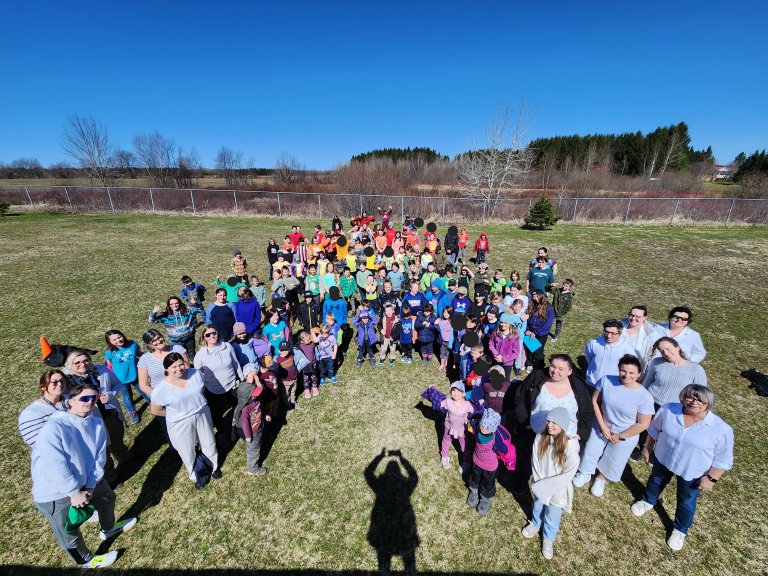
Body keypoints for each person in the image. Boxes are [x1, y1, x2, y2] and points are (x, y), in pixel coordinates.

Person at [31, 380, 137, 569]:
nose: (89, 402)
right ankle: (85, 560)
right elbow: (54, 465)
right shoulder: (54, 428)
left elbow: (99, 456)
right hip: (56, 492)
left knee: (107, 498)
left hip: (88, 482)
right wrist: (74, 492)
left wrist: (91, 484)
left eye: (93, 398)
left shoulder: (96, 423)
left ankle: (108, 528)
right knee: (69, 529)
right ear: (70, 401)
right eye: (84, 398)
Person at [630, 385, 734, 551]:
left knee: (686, 500)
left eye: (700, 400)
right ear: (683, 397)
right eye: (690, 397)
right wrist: (647, 447)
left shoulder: (721, 429)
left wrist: (711, 478)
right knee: (655, 481)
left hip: (693, 471)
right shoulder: (669, 410)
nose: (694, 402)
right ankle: (647, 501)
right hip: (664, 459)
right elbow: (654, 429)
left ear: (709, 404)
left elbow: (723, 458)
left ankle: (680, 530)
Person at [572, 355, 655, 497]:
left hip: (626, 433)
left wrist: (621, 436)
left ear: (639, 374)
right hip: (602, 425)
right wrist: (602, 426)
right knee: (591, 450)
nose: (626, 375)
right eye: (623, 371)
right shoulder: (606, 380)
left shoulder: (645, 396)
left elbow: (643, 423)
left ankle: (601, 478)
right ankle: (585, 472)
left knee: (615, 458)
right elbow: (595, 402)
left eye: (631, 373)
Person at [512, 354, 593, 492]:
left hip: (564, 437)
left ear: (570, 371)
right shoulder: (538, 377)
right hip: (536, 432)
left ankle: (550, 490)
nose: (555, 371)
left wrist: (581, 434)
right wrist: (525, 421)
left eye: (561, 369)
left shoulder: (579, 387)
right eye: (553, 366)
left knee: (555, 465)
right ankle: (522, 482)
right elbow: (519, 396)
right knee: (528, 459)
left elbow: (588, 412)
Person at [150, 353, 221, 487]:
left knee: (209, 441)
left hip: (201, 413)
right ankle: (194, 473)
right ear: (166, 369)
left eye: (181, 364)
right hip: (179, 421)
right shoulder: (161, 389)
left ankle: (214, 467)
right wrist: (176, 413)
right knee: (186, 449)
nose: (179, 368)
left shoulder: (196, 374)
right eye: (174, 366)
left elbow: (201, 390)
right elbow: (155, 410)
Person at [520, 407, 579, 560]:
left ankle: (548, 538)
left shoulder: (570, 446)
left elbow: (568, 473)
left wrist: (549, 487)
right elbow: (536, 460)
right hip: (540, 482)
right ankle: (535, 523)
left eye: (555, 422)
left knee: (553, 515)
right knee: (538, 505)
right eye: (549, 421)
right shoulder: (541, 437)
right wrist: (540, 482)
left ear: (563, 425)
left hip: (558, 489)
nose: (550, 425)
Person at [64, 350, 130, 483]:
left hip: (110, 412)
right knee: (101, 449)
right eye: (77, 362)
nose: (83, 364)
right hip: (90, 420)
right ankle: (110, 475)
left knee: (117, 436)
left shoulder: (101, 370)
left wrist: (111, 395)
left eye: (85, 360)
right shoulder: (67, 381)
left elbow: (117, 383)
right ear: (70, 364)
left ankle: (124, 457)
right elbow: (65, 401)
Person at [193, 325, 254, 447]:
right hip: (213, 390)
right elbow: (197, 373)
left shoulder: (227, 346)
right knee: (217, 414)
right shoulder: (200, 355)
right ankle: (222, 433)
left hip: (232, 385)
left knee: (238, 408)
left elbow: (236, 363)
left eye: (214, 333)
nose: (212, 336)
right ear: (203, 337)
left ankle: (240, 428)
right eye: (208, 335)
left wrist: (241, 379)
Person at [466, 409, 503, 516]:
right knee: (474, 477)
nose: (483, 429)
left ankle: (486, 499)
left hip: (490, 466)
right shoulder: (477, 428)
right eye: (482, 425)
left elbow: (504, 450)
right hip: (477, 460)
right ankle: (473, 491)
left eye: (487, 427)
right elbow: (471, 426)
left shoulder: (496, 437)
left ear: (493, 428)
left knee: (488, 483)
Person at [19, 370, 68, 448]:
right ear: (43, 387)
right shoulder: (31, 413)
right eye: (54, 382)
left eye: (62, 380)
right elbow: (39, 444)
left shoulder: (72, 400)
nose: (60, 384)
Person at [103, 329, 143, 424]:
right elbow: (109, 365)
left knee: (144, 391)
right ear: (110, 342)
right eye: (114, 340)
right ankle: (132, 413)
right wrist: (111, 376)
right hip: (121, 379)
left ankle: (154, 404)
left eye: (119, 337)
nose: (118, 340)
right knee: (127, 397)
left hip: (136, 375)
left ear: (123, 335)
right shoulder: (109, 352)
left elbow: (139, 354)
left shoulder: (132, 344)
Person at [583, 319, 636, 388]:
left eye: (613, 333)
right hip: (592, 384)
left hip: (612, 387)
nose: (608, 336)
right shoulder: (593, 343)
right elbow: (589, 357)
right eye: (606, 332)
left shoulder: (627, 350)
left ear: (619, 333)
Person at [439, 381, 474, 470]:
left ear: (463, 394)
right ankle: (444, 456)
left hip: (461, 429)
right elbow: (439, 403)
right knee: (446, 441)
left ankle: (466, 461)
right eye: (453, 390)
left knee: (464, 444)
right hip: (449, 426)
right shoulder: (448, 401)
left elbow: (474, 411)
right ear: (450, 392)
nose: (456, 393)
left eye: (459, 391)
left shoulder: (467, 404)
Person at [619, 304, 659, 371]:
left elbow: (652, 357)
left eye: (637, 316)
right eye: (631, 315)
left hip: (634, 370)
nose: (633, 318)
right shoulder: (618, 326)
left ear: (644, 318)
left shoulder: (651, 335)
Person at [240, 383, 268, 476]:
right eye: (254, 394)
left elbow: (261, 409)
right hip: (252, 433)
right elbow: (245, 424)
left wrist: (265, 415)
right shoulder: (245, 409)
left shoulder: (257, 400)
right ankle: (253, 469)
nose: (257, 395)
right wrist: (248, 436)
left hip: (259, 428)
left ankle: (258, 450)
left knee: (257, 446)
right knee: (252, 451)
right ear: (247, 397)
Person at [524, 289, 555, 372]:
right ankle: (529, 364)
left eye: (537, 296)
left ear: (542, 296)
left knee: (538, 351)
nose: (535, 298)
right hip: (530, 331)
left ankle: (538, 366)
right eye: (534, 296)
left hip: (541, 333)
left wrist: (536, 332)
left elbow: (547, 325)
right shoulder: (531, 306)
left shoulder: (549, 308)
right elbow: (526, 319)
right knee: (530, 350)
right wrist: (527, 330)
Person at [489, 313, 521, 380]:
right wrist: (496, 354)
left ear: (510, 324)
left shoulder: (514, 336)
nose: (503, 325)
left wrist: (503, 359)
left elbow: (515, 352)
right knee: (493, 379)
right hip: (496, 360)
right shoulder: (496, 333)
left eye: (506, 323)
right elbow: (491, 344)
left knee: (505, 381)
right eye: (501, 322)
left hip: (507, 363)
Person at [297, 331, 319, 398]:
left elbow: (317, 341)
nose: (310, 340)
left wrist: (313, 334)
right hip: (305, 365)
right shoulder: (300, 346)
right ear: (302, 341)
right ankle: (307, 389)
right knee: (305, 377)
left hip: (313, 363)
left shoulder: (312, 343)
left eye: (310, 338)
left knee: (313, 375)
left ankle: (314, 387)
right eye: (307, 340)